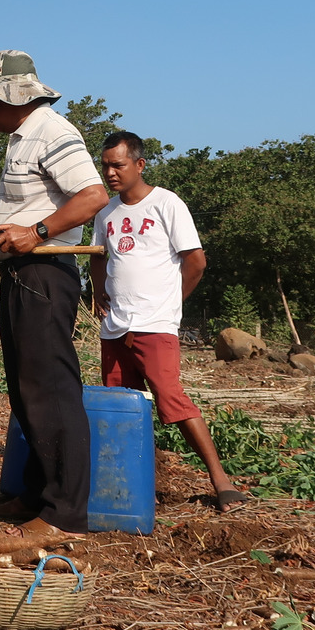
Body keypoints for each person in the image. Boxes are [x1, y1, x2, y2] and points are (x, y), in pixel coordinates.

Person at [0, 50, 108, 546]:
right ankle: (39, 494)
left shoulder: (51, 131)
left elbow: (92, 196)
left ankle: (64, 514)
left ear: (8, 97)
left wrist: (37, 232)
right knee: (25, 388)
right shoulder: (21, 138)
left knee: (51, 389)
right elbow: (30, 207)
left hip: (44, 272)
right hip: (20, 271)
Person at [89, 130, 248, 514]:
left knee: (170, 399)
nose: (110, 172)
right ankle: (129, 488)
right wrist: (97, 291)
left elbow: (196, 261)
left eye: (118, 165)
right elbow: (97, 254)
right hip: (116, 328)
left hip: (155, 325)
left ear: (140, 165)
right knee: (122, 407)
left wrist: (171, 303)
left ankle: (221, 481)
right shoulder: (105, 212)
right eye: (106, 165)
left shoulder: (166, 203)